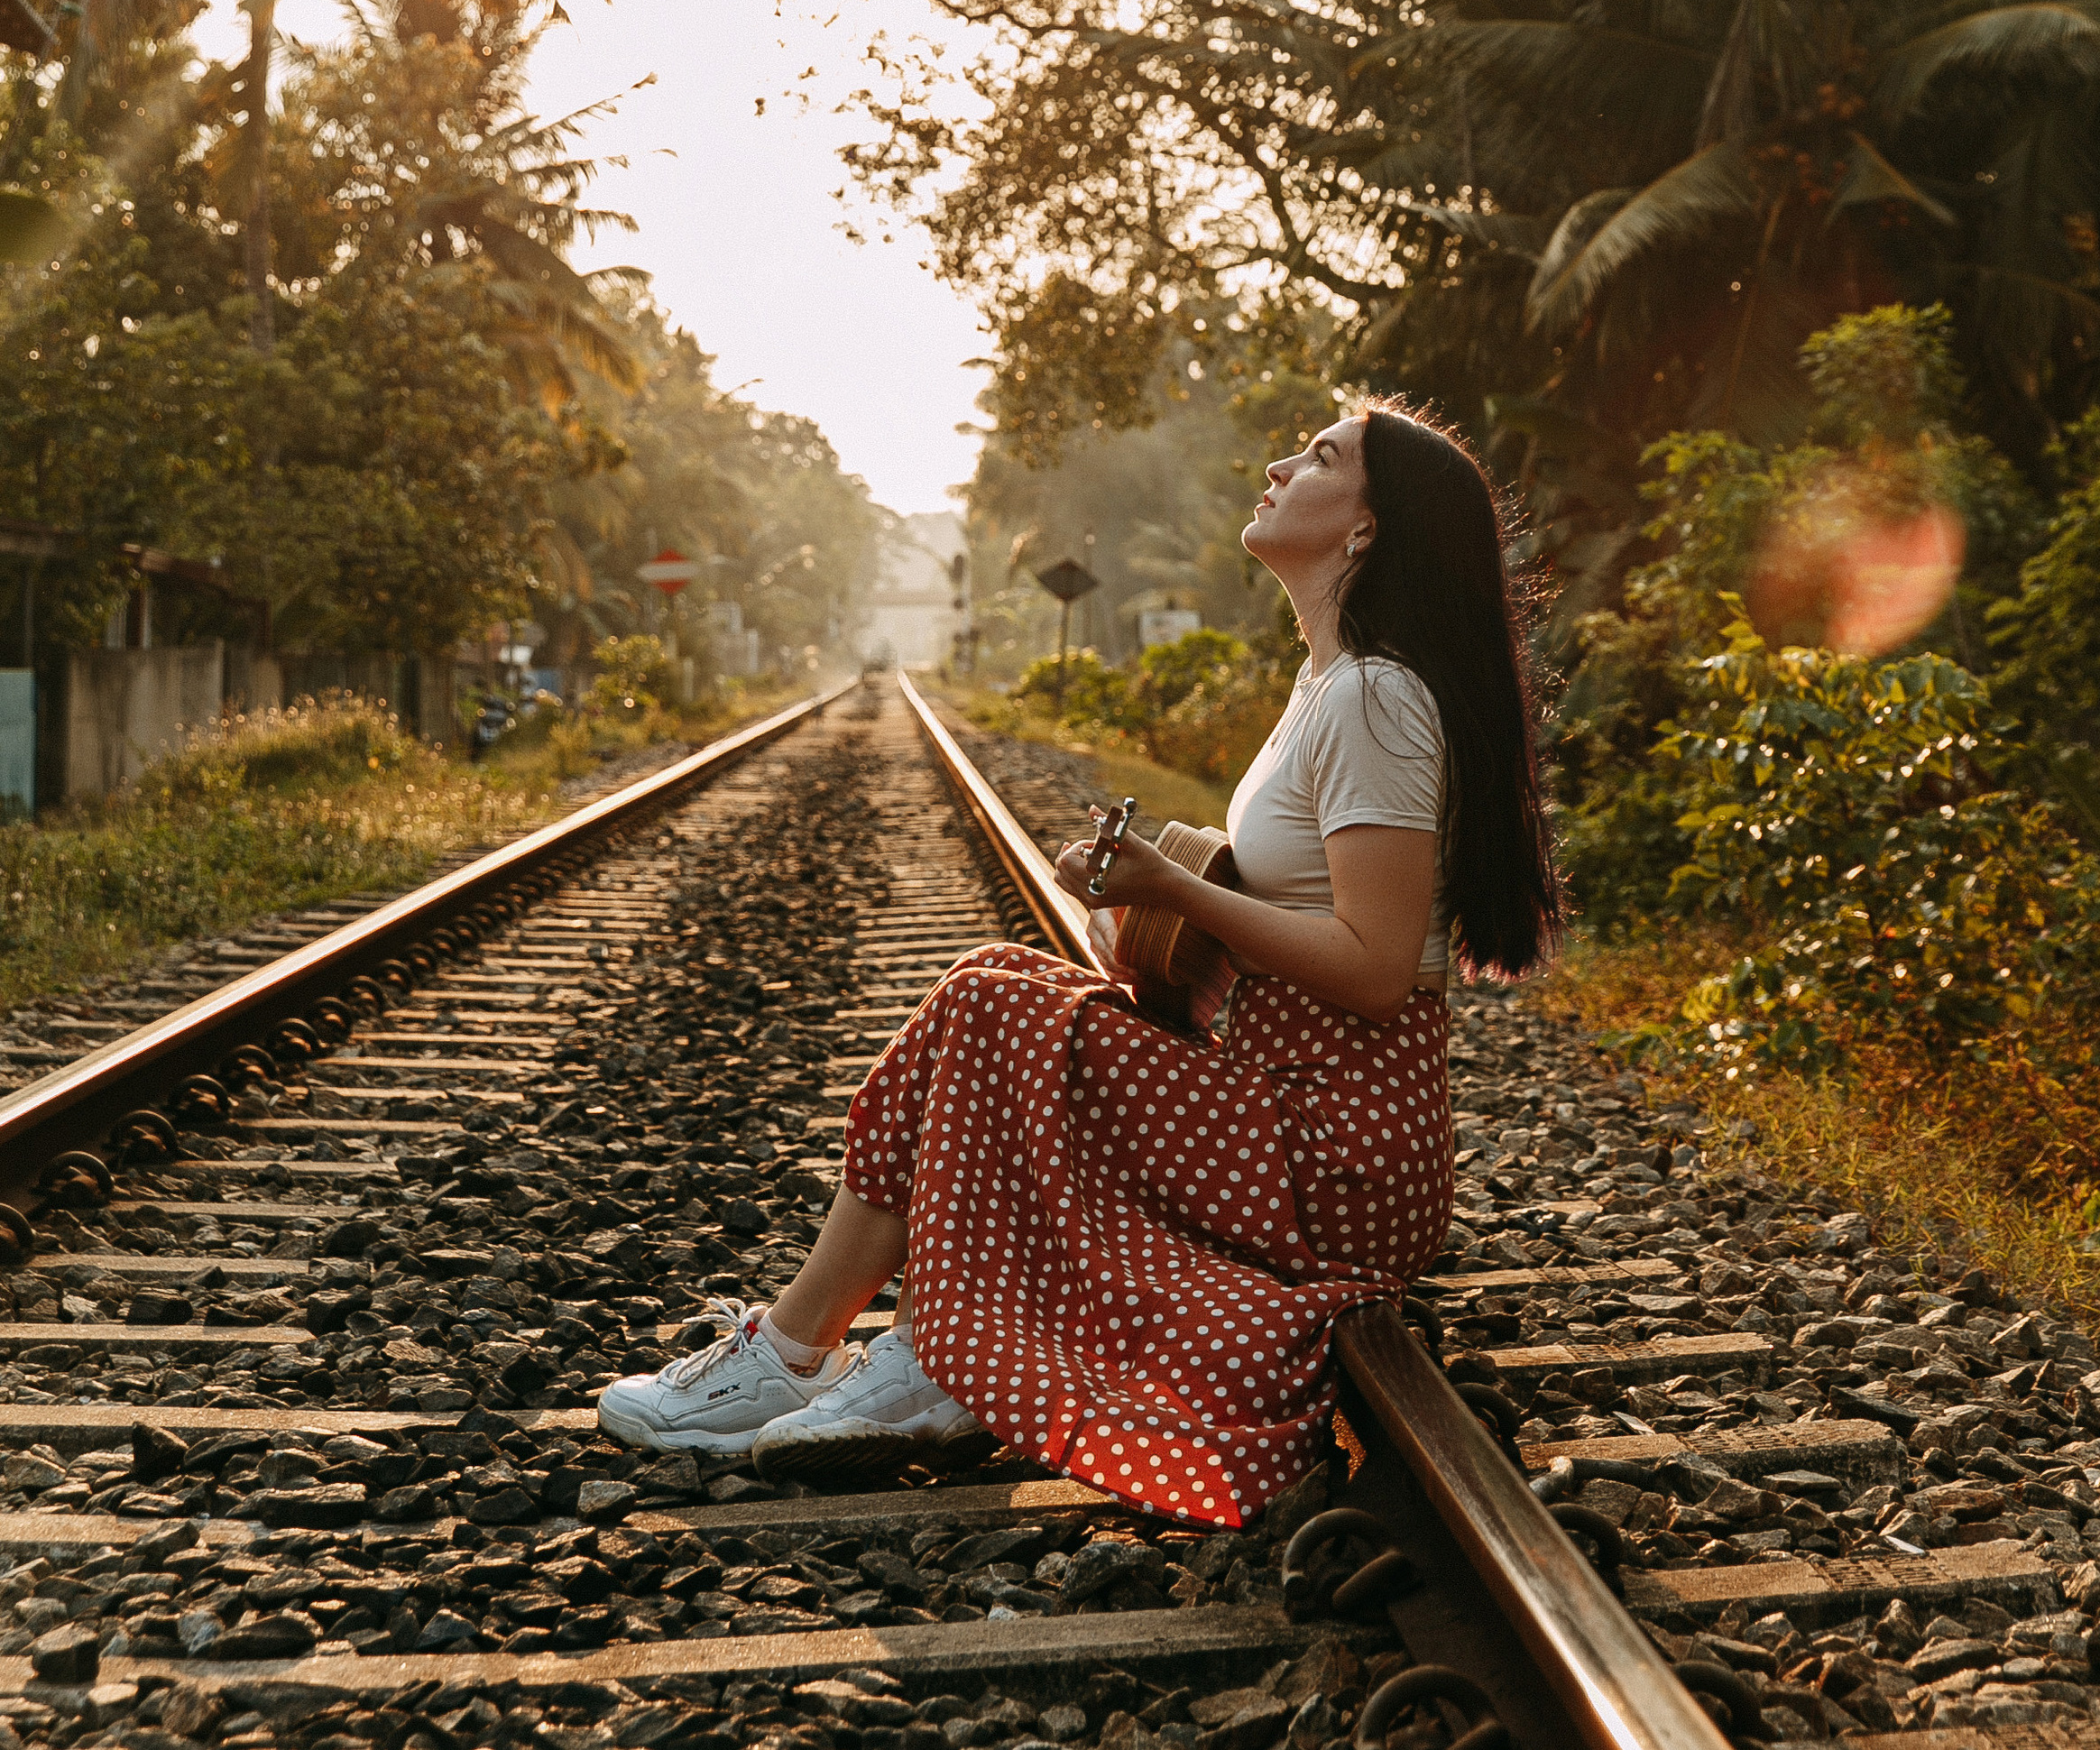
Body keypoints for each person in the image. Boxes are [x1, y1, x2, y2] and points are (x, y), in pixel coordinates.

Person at [596, 400, 1560, 1524]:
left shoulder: (1375, 696)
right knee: (997, 987)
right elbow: (1306, 927)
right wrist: (1149, 919)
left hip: (1336, 1145)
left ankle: (881, 1352)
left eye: (1322, 458)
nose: (1279, 461)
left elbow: (1375, 970)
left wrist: (1173, 888)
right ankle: (849, 1347)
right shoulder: (1327, 683)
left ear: (1365, 531)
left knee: (992, 1009)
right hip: (1286, 1097)